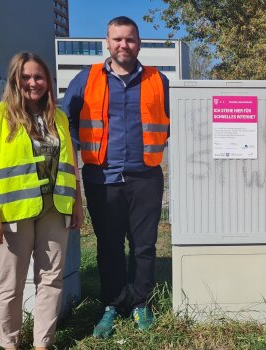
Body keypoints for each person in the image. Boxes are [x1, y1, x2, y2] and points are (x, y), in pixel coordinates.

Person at [62, 16, 170, 339]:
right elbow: (65, 122)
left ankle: (140, 303)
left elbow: (169, 122)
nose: (124, 45)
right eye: (117, 39)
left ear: (139, 43)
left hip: (145, 177)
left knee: (144, 245)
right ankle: (111, 304)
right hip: (101, 179)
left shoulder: (157, 80)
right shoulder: (86, 79)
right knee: (109, 246)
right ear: (106, 43)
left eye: (130, 39)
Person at [0, 52, 83, 350]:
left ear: (48, 81)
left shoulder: (58, 117)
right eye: (25, 77)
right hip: (13, 214)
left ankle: (42, 344)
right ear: (15, 80)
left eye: (39, 77)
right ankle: (8, 344)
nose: (33, 83)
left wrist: (77, 205)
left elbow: (71, 166)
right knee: (10, 286)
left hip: (54, 208)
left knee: (51, 280)